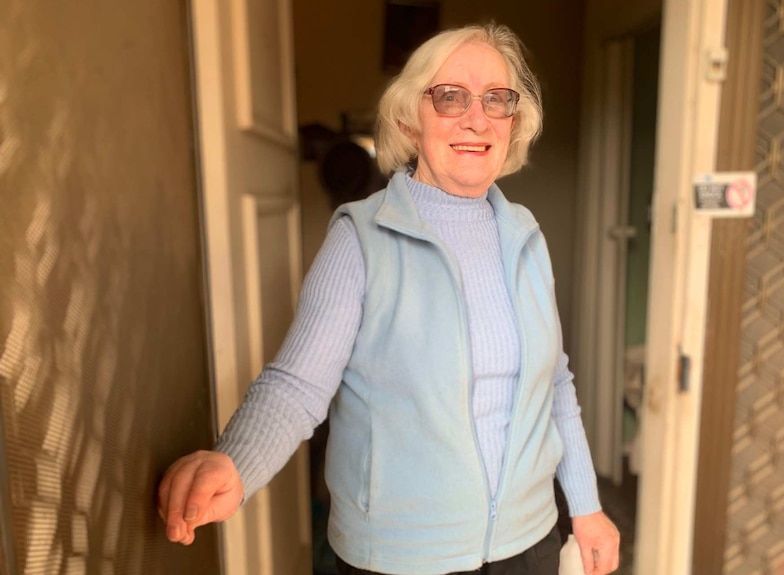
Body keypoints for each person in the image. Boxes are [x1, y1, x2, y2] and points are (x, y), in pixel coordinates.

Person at [158, 23, 620, 575]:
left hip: (531, 540)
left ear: (513, 122)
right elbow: (299, 388)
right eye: (450, 97)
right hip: (403, 556)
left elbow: (555, 382)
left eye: (498, 100)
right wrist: (234, 463)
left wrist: (586, 508)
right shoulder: (360, 237)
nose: (477, 118)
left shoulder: (525, 235)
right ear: (408, 118)